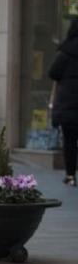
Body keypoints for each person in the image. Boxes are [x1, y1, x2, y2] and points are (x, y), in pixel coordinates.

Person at [49, 16, 78, 186]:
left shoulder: (66, 52)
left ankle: (70, 175)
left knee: (69, 140)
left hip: (68, 105)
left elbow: (53, 73)